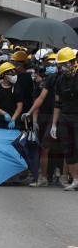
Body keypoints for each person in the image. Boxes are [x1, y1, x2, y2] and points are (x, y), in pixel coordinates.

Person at [22, 52, 61, 187]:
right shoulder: (45, 82)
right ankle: (43, 177)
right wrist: (33, 118)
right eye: (48, 63)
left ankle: (63, 176)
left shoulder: (65, 79)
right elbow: (39, 100)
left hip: (64, 116)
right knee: (44, 147)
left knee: (64, 148)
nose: (51, 65)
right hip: (46, 118)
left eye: (53, 63)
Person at [51, 47, 78, 191]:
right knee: (69, 150)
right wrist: (54, 125)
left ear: (74, 62)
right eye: (62, 65)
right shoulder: (60, 80)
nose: (64, 67)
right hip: (65, 117)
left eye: (67, 63)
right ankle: (76, 180)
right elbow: (57, 103)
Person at [0, 62, 23, 129]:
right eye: (10, 73)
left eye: (14, 72)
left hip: (13, 121)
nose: (13, 75)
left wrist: (13, 119)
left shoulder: (17, 88)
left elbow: (19, 106)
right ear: (4, 75)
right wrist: (4, 114)